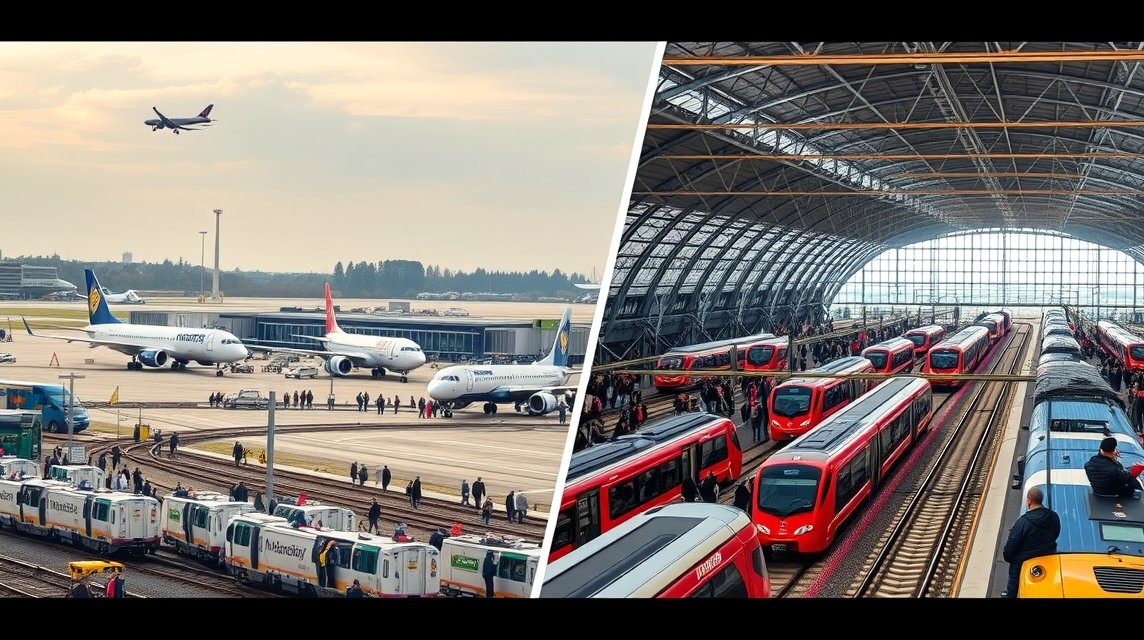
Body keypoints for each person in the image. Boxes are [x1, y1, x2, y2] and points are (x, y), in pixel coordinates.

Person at [1002, 486, 1060, 598]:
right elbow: (1056, 534)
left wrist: (1008, 557)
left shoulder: (1023, 522)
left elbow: (1011, 548)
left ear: (1029, 500)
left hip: (1023, 562)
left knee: (1014, 587)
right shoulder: (1053, 516)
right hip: (1048, 557)